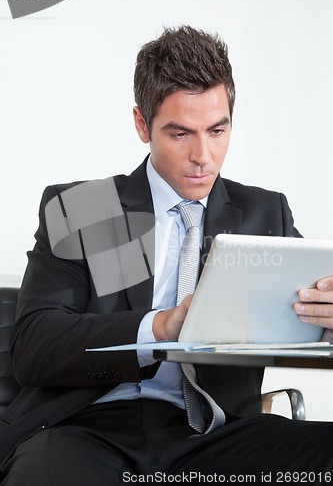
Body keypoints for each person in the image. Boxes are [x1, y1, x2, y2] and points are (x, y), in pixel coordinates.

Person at [1, 25, 333, 485]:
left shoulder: (264, 211)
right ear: (142, 125)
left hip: (216, 434)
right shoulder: (83, 208)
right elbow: (33, 347)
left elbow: (296, 322)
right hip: (86, 428)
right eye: (180, 134)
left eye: (218, 130)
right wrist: (162, 327)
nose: (204, 156)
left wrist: (325, 319)